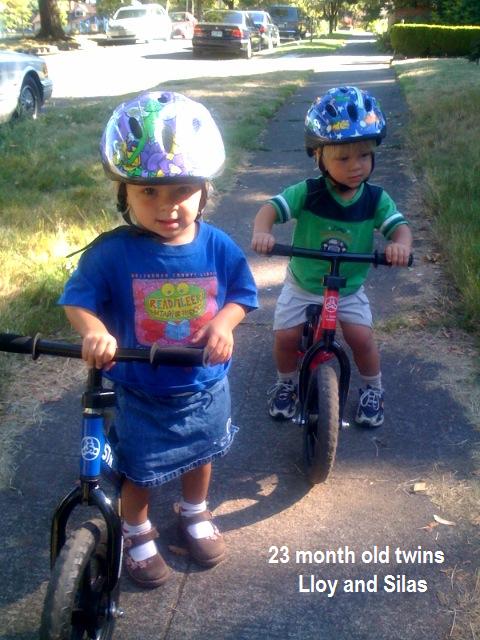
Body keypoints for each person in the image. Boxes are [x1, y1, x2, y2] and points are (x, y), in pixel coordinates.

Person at [59, 91, 258, 588]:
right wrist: (95, 331)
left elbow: (242, 292)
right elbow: (76, 299)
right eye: (148, 192)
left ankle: (194, 510)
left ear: (204, 191)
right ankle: (136, 527)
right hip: (142, 390)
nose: (166, 207)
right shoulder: (112, 253)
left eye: (181, 191)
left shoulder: (216, 245)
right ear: (123, 193)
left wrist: (224, 324)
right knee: (140, 470)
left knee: (203, 453)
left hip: (205, 384)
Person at [251, 85, 412, 428]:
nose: (355, 166)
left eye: (364, 155)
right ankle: (286, 382)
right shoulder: (307, 193)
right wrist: (263, 232)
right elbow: (270, 209)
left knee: (361, 338)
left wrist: (401, 245)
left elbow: (399, 228)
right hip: (304, 283)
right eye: (343, 157)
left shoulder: (375, 199)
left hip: (348, 287)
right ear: (318, 157)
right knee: (286, 337)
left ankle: (373, 388)